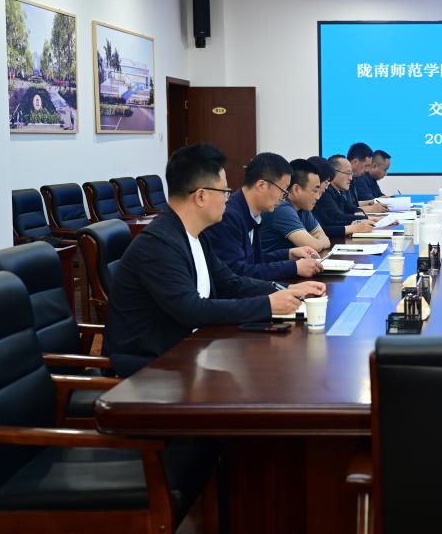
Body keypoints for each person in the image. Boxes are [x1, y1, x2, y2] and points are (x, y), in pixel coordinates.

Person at [102, 143, 325, 377]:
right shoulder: (158, 244)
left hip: (188, 349)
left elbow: (231, 282)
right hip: (149, 368)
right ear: (201, 196)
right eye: (224, 192)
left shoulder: (195, 235)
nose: (228, 199)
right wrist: (268, 304)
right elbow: (191, 309)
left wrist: (286, 290)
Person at [204, 152, 324, 281]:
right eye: (283, 191)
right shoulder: (229, 216)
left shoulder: (250, 212)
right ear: (261, 185)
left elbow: (256, 260)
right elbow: (238, 272)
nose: (283, 198)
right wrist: (294, 268)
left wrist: (289, 254)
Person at [260, 158, 331, 254]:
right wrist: (319, 243)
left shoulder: (303, 208)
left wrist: (318, 242)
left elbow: (324, 238)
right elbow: (313, 246)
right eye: (315, 190)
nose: (318, 197)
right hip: (270, 263)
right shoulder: (282, 209)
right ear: (296, 189)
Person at [313, 155, 376, 238]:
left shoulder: (338, 191)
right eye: (347, 173)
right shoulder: (325, 193)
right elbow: (335, 218)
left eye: (351, 174)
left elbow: (351, 208)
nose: (351, 178)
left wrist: (358, 220)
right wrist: (356, 225)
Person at [347, 142, 387, 212]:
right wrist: (371, 208)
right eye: (366, 166)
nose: (367, 170)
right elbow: (344, 210)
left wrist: (374, 201)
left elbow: (353, 204)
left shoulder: (354, 179)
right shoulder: (356, 180)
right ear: (355, 162)